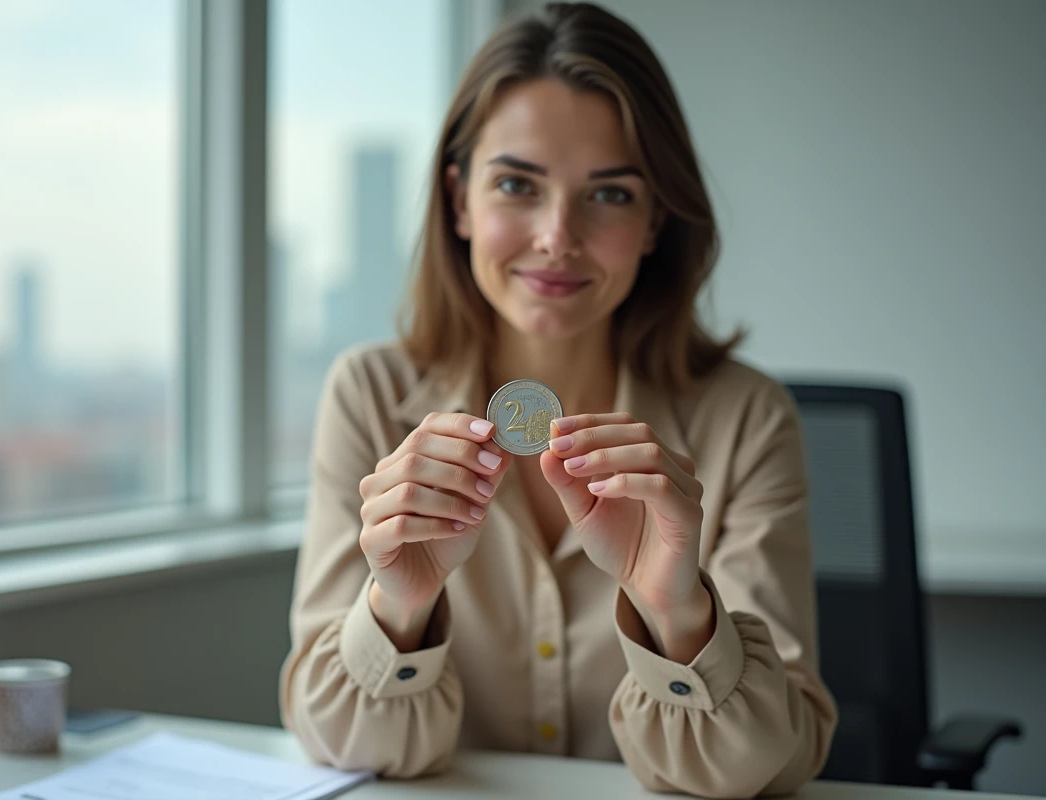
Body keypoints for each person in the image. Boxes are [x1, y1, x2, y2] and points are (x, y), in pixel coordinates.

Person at [279, 2, 838, 796]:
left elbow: (772, 765)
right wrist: (399, 606)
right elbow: (337, 743)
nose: (555, 236)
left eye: (608, 195)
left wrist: (674, 613)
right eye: (516, 184)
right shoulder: (370, 395)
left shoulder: (747, 419)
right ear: (460, 201)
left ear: (654, 221)